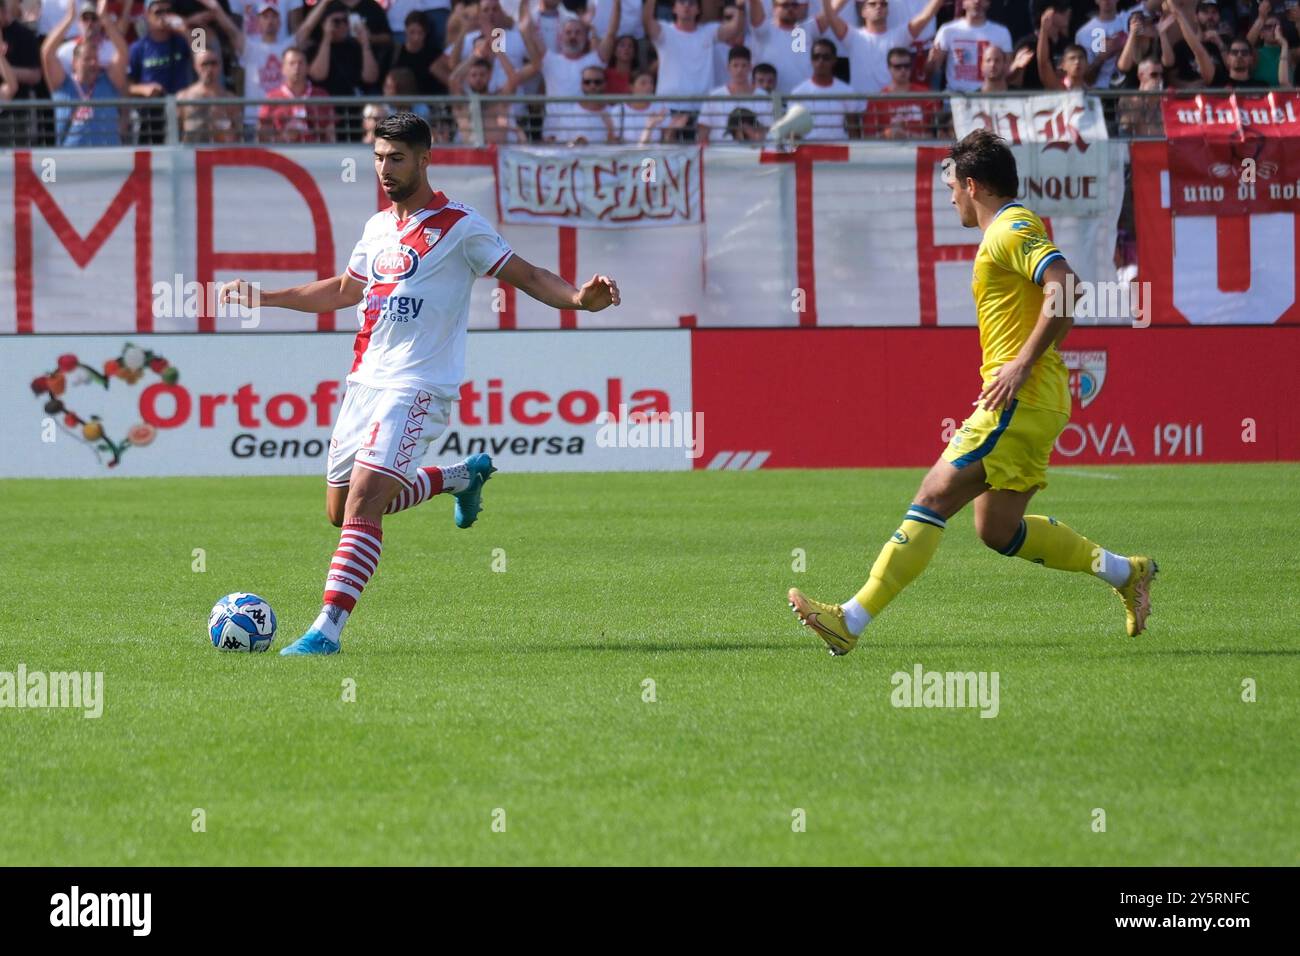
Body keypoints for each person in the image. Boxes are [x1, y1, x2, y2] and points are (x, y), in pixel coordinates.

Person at [218, 111, 621, 656]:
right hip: (365, 381)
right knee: (340, 513)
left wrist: (577, 299)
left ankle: (325, 632)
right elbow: (343, 290)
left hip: (419, 384)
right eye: (379, 158)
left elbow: (526, 275)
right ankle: (458, 477)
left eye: (397, 158)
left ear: (425, 159)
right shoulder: (376, 227)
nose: (385, 169)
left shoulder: (461, 225)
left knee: (363, 502)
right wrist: (265, 298)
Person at [789, 128, 1157, 653]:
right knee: (997, 529)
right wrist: (1035, 357)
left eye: (952, 189)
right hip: (1039, 400)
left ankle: (850, 620)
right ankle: (1127, 572)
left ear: (972, 184)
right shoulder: (1008, 232)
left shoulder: (1010, 228)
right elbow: (1061, 302)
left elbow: (1069, 287)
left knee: (933, 496)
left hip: (1019, 401)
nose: (951, 198)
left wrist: (1022, 364)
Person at [642, 0, 745, 136]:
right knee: (668, 156)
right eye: (682, 2)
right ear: (674, 8)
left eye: (691, 3)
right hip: (669, 110)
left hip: (703, 111)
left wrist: (741, 7)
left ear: (698, 10)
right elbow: (647, 21)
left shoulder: (708, 31)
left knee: (702, 156)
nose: (686, 6)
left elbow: (735, 29)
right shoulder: (664, 31)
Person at [43, 0, 129, 145]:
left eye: (95, 59)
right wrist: (69, 18)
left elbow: (123, 52)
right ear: (74, 62)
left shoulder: (108, 82)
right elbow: (47, 53)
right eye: (87, 59)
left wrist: (105, 19)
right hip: (72, 162)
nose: (93, 63)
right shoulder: (63, 85)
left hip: (109, 159)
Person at [825, 0, 945, 95]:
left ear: (888, 10)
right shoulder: (852, 36)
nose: (879, 6)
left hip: (888, 110)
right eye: (873, 4)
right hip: (860, 111)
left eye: (883, 4)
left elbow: (926, 16)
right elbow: (830, 16)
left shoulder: (899, 36)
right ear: (863, 11)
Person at [747, 0, 843, 94]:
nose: (790, 8)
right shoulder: (764, 29)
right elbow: (755, 3)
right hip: (771, 102)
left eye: (794, 5)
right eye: (785, 5)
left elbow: (831, 12)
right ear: (774, 7)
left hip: (802, 100)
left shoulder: (806, 29)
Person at [929, 0, 1013, 92]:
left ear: (988, 3)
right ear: (963, 3)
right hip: (954, 98)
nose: (977, 1)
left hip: (987, 97)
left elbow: (1006, 72)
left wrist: (1016, 68)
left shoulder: (1001, 32)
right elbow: (932, 71)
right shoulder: (947, 30)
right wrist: (931, 61)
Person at [257, 44, 336, 141]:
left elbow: (331, 134)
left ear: (307, 68)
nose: (297, 67)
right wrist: (284, 137)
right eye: (292, 63)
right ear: (283, 69)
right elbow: (262, 136)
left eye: (300, 63)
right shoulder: (272, 98)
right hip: (285, 153)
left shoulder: (321, 95)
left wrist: (316, 131)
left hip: (316, 152)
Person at [698, 43, 772, 141]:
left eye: (744, 65)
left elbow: (770, 129)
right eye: (735, 65)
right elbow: (703, 130)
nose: (739, 70)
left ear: (750, 67)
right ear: (728, 67)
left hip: (755, 152)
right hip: (721, 152)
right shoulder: (715, 96)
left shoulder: (763, 96)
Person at [788, 36, 858, 139]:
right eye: (816, 57)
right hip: (809, 150)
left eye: (826, 57)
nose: (820, 61)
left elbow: (853, 130)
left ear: (834, 60)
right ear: (811, 60)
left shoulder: (847, 91)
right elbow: (795, 133)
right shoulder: (798, 93)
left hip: (838, 149)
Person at [862, 45, 935, 138]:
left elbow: (938, 135)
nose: (903, 70)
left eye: (906, 66)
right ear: (889, 68)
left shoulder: (926, 94)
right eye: (897, 67)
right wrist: (888, 133)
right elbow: (868, 137)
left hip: (920, 150)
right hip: (889, 150)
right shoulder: (877, 100)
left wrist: (908, 135)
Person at [176, 46, 241, 141]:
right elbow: (175, 133)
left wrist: (221, 126)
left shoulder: (230, 99)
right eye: (205, 64)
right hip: (192, 152)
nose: (209, 68)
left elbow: (238, 135)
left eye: (213, 63)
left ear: (220, 66)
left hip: (220, 152)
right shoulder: (183, 97)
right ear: (195, 66)